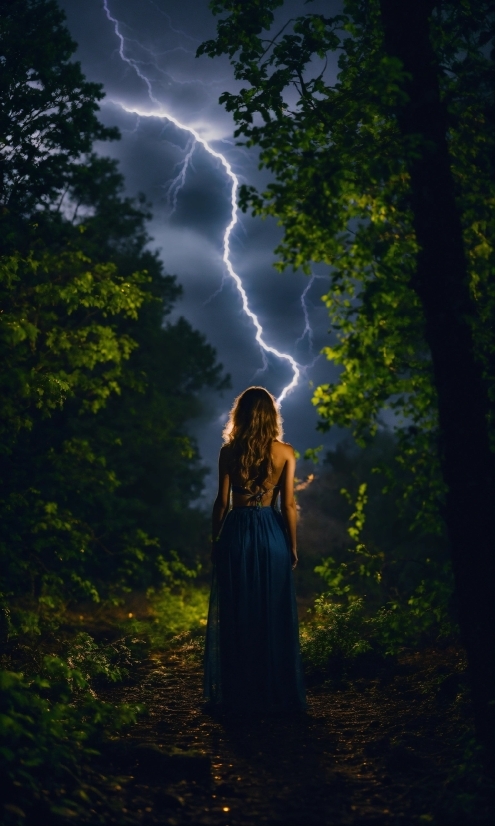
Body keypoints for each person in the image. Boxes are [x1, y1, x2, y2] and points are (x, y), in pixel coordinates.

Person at [203, 386, 306, 714]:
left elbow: (221, 503)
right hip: (271, 535)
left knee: (238, 613)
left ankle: (240, 695)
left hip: (237, 534)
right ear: (271, 416)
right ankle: (272, 693)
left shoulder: (228, 452)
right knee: (271, 613)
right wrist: (291, 546)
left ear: (241, 415)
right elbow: (288, 505)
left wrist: (215, 540)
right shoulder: (286, 452)